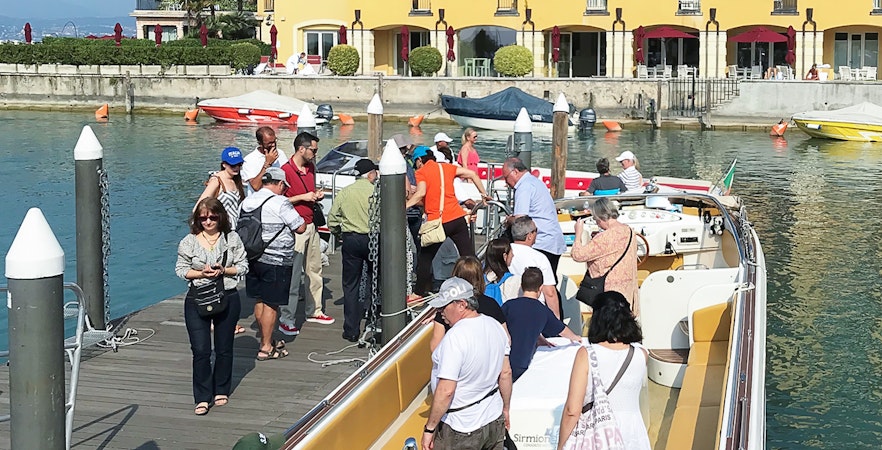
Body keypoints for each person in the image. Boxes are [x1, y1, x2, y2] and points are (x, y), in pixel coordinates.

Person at [175, 198, 249, 415]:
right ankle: (202, 396)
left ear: (220, 217)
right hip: (197, 298)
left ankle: (221, 389)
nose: (208, 221)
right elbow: (181, 270)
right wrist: (201, 273)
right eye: (203, 217)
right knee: (200, 351)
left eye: (213, 217)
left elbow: (243, 265)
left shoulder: (232, 238)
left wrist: (223, 270)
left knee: (224, 348)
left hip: (227, 296)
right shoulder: (188, 241)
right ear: (198, 219)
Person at [423, 277, 512, 450]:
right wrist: (506, 408)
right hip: (493, 418)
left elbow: (446, 390)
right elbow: (506, 373)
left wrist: (430, 428)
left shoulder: (455, 338)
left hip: (461, 427)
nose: (440, 312)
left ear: (462, 304)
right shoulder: (495, 326)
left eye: (444, 307)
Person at [557, 291, 650, 450]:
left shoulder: (586, 354)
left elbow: (572, 410)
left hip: (599, 433)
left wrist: (561, 446)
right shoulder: (642, 354)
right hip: (634, 434)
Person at [407, 147, 491, 295]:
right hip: (457, 218)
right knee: (469, 255)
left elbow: (421, 193)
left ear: (419, 160)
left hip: (439, 222)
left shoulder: (421, 172)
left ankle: (418, 293)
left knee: (425, 258)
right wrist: (483, 194)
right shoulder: (446, 167)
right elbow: (471, 174)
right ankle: (480, 285)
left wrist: (404, 206)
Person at [241, 168, 306, 359]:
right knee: (271, 303)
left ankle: (264, 337)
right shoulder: (280, 202)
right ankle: (266, 347)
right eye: (284, 186)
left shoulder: (247, 201)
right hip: (276, 260)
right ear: (279, 184)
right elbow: (300, 227)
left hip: (253, 257)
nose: (284, 190)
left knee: (259, 299)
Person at [279, 131, 333, 336]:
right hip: (295, 227)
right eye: (313, 150)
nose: (315, 154)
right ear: (302, 148)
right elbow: (279, 200)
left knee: (314, 270)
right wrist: (304, 197)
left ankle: (315, 310)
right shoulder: (285, 171)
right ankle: (287, 318)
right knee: (293, 276)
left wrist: (315, 196)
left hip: (311, 225)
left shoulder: (311, 168)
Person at [196, 146, 248, 335]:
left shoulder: (237, 180)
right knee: (216, 278)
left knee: (227, 278)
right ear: (224, 164)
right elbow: (200, 206)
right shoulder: (217, 181)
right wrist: (205, 229)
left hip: (232, 235)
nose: (236, 167)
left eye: (239, 164)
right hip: (218, 236)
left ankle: (223, 318)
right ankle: (213, 318)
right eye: (233, 165)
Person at [327, 158, 377, 342]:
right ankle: (373, 322)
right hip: (373, 239)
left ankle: (351, 329)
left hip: (351, 239)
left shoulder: (345, 192)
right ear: (371, 174)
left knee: (351, 285)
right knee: (375, 281)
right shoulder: (376, 192)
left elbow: (332, 219)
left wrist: (338, 232)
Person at [502, 267, 581, 381]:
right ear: (540, 288)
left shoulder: (509, 305)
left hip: (503, 360)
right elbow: (561, 330)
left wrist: (538, 337)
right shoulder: (542, 310)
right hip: (522, 363)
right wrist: (576, 337)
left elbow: (516, 325)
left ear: (522, 286)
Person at [571, 197, 639, 314]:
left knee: (609, 326)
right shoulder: (630, 231)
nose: (597, 223)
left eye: (596, 219)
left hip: (609, 292)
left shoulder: (604, 237)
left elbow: (578, 255)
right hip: (628, 290)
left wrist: (578, 235)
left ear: (601, 217)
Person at [501, 157, 566, 278]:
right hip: (551, 241)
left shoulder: (524, 187)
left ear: (515, 172)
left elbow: (521, 222)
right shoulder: (534, 182)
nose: (506, 182)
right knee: (549, 281)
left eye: (506, 177)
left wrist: (509, 220)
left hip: (541, 242)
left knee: (538, 282)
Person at [430, 256, 507, 351]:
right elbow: (506, 339)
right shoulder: (491, 304)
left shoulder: (447, 307)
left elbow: (435, 346)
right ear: (479, 277)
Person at [507, 216, 561, 319]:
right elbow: (549, 292)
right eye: (536, 231)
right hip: (534, 311)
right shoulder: (539, 258)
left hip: (508, 308)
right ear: (529, 236)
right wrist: (556, 321)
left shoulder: (503, 252)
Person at [241, 126, 288, 194]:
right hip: (259, 201)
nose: (273, 145)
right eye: (270, 143)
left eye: (275, 141)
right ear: (260, 143)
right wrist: (267, 163)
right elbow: (255, 186)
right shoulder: (250, 160)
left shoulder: (281, 153)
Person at [483, 238, 520, 305]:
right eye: (511, 253)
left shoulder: (480, 276)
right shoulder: (513, 281)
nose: (513, 255)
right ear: (505, 256)